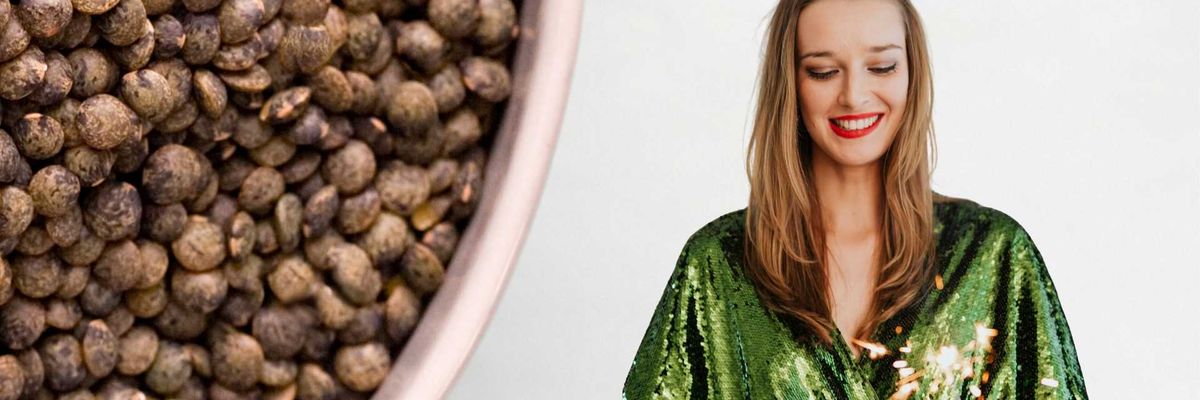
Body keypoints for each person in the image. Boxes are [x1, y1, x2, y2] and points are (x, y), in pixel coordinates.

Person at [621, 0, 1088, 398]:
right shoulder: (718, 265)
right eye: (823, 72)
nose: (854, 95)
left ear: (912, 73)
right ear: (791, 83)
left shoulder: (994, 255)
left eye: (881, 66)